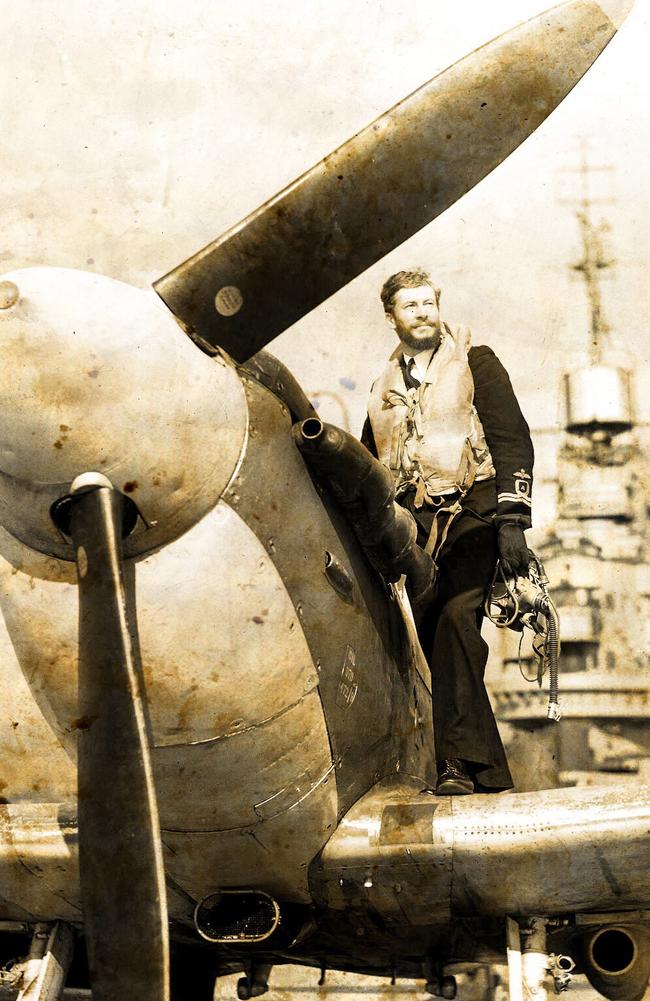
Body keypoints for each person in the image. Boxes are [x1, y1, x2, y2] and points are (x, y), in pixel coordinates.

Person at [361, 269, 533, 795]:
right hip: (418, 527)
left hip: (478, 511)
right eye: (409, 306)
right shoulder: (381, 389)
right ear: (391, 318)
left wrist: (512, 523)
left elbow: (511, 437)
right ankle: (490, 774)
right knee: (441, 638)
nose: (422, 313)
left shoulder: (478, 361)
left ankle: (454, 766)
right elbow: (371, 464)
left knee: (459, 616)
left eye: (428, 303)